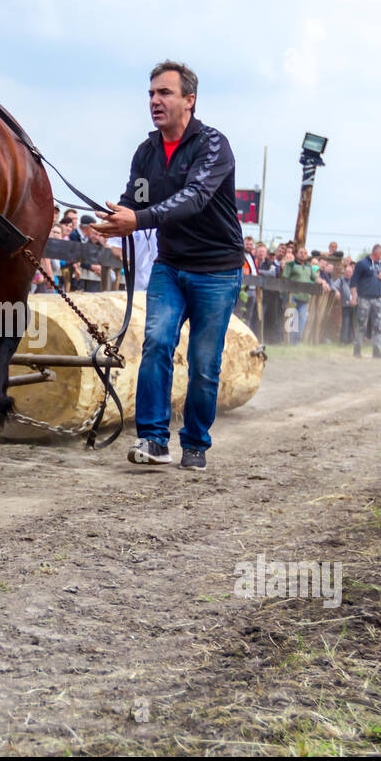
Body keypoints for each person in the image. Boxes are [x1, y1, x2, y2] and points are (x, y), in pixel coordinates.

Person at [95, 59, 242, 470]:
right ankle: (154, 440)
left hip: (217, 270)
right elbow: (136, 199)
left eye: (165, 93)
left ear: (189, 100)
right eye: (151, 94)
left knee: (204, 363)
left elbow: (194, 198)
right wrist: (110, 222)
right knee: (157, 342)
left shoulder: (213, 145)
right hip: (170, 267)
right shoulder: (146, 153)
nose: (155, 101)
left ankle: (195, 441)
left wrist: (136, 220)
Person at [349, 244, 381, 358]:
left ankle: (376, 351)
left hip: (378, 298)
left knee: (378, 326)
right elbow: (353, 282)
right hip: (364, 298)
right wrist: (354, 297)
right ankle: (357, 350)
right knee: (362, 325)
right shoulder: (362, 264)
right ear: (376, 252)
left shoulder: (380, 264)